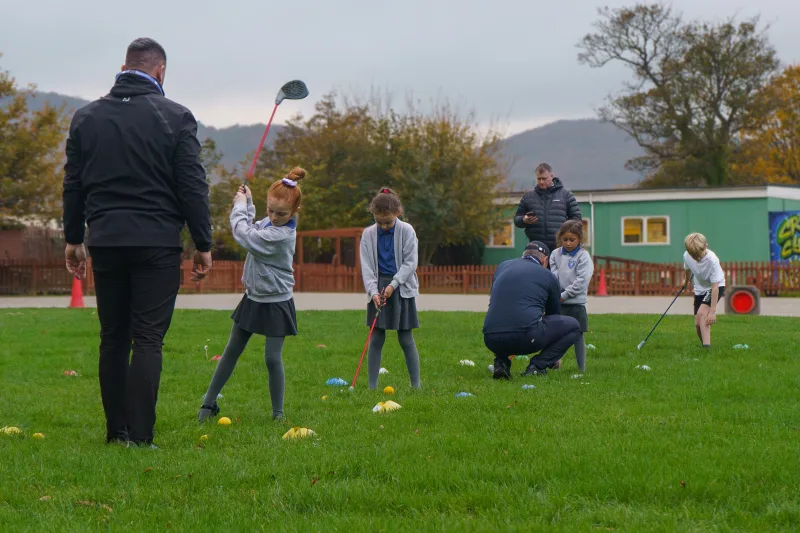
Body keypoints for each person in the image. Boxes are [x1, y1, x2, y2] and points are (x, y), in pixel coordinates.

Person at [62, 38, 212, 448]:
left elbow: (73, 184)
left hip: (106, 241)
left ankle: (117, 434)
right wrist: (203, 242)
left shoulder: (85, 117)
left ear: (125, 66)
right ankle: (142, 437)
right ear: (159, 71)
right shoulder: (176, 117)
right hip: (157, 242)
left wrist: (74, 239)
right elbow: (192, 186)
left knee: (113, 337)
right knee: (147, 338)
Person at [198, 168, 307, 422]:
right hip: (253, 298)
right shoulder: (269, 223)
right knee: (231, 350)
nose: (273, 217)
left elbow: (244, 234)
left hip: (277, 301)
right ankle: (207, 405)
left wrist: (238, 206)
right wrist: (247, 203)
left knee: (271, 358)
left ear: (294, 213)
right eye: (270, 210)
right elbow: (252, 225)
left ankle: (278, 414)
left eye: (281, 214)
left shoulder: (280, 235)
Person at [483, 241, 581, 379]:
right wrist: (552, 356)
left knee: (505, 317)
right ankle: (538, 366)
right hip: (526, 337)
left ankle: (501, 363)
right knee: (574, 326)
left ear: (524, 255)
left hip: (491, 338)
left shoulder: (502, 267)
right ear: (545, 260)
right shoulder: (548, 275)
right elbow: (554, 316)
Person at [360, 188, 421, 390]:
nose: (384, 226)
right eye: (380, 222)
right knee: (376, 337)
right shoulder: (368, 234)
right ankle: (372, 387)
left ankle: (416, 386)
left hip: (401, 287)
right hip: (378, 288)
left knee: (405, 337)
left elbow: (410, 262)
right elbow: (367, 267)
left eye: (388, 222)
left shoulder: (407, 231)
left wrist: (394, 284)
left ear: (398, 213)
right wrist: (373, 292)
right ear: (373, 215)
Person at [549, 220, 594, 372]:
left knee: (578, 335)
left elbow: (581, 281)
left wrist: (565, 295)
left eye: (572, 240)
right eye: (565, 239)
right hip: (558, 302)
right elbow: (553, 276)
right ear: (560, 238)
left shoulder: (584, 257)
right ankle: (555, 364)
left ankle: (581, 368)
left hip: (576, 303)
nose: (568, 243)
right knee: (555, 335)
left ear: (580, 239)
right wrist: (557, 295)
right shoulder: (555, 254)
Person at [513, 163, 581, 253]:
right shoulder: (528, 196)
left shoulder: (566, 195)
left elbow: (576, 219)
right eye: (539, 179)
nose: (541, 182)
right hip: (536, 247)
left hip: (559, 247)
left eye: (544, 178)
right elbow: (516, 219)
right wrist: (524, 220)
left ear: (552, 176)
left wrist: (566, 235)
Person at [683, 233, 725, 349]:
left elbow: (715, 287)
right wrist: (686, 282)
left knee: (702, 314)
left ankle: (707, 347)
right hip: (699, 289)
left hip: (715, 287)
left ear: (706, 245)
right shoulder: (687, 255)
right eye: (693, 255)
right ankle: (704, 346)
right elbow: (687, 270)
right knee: (697, 324)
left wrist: (712, 312)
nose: (697, 258)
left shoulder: (712, 260)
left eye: (698, 255)